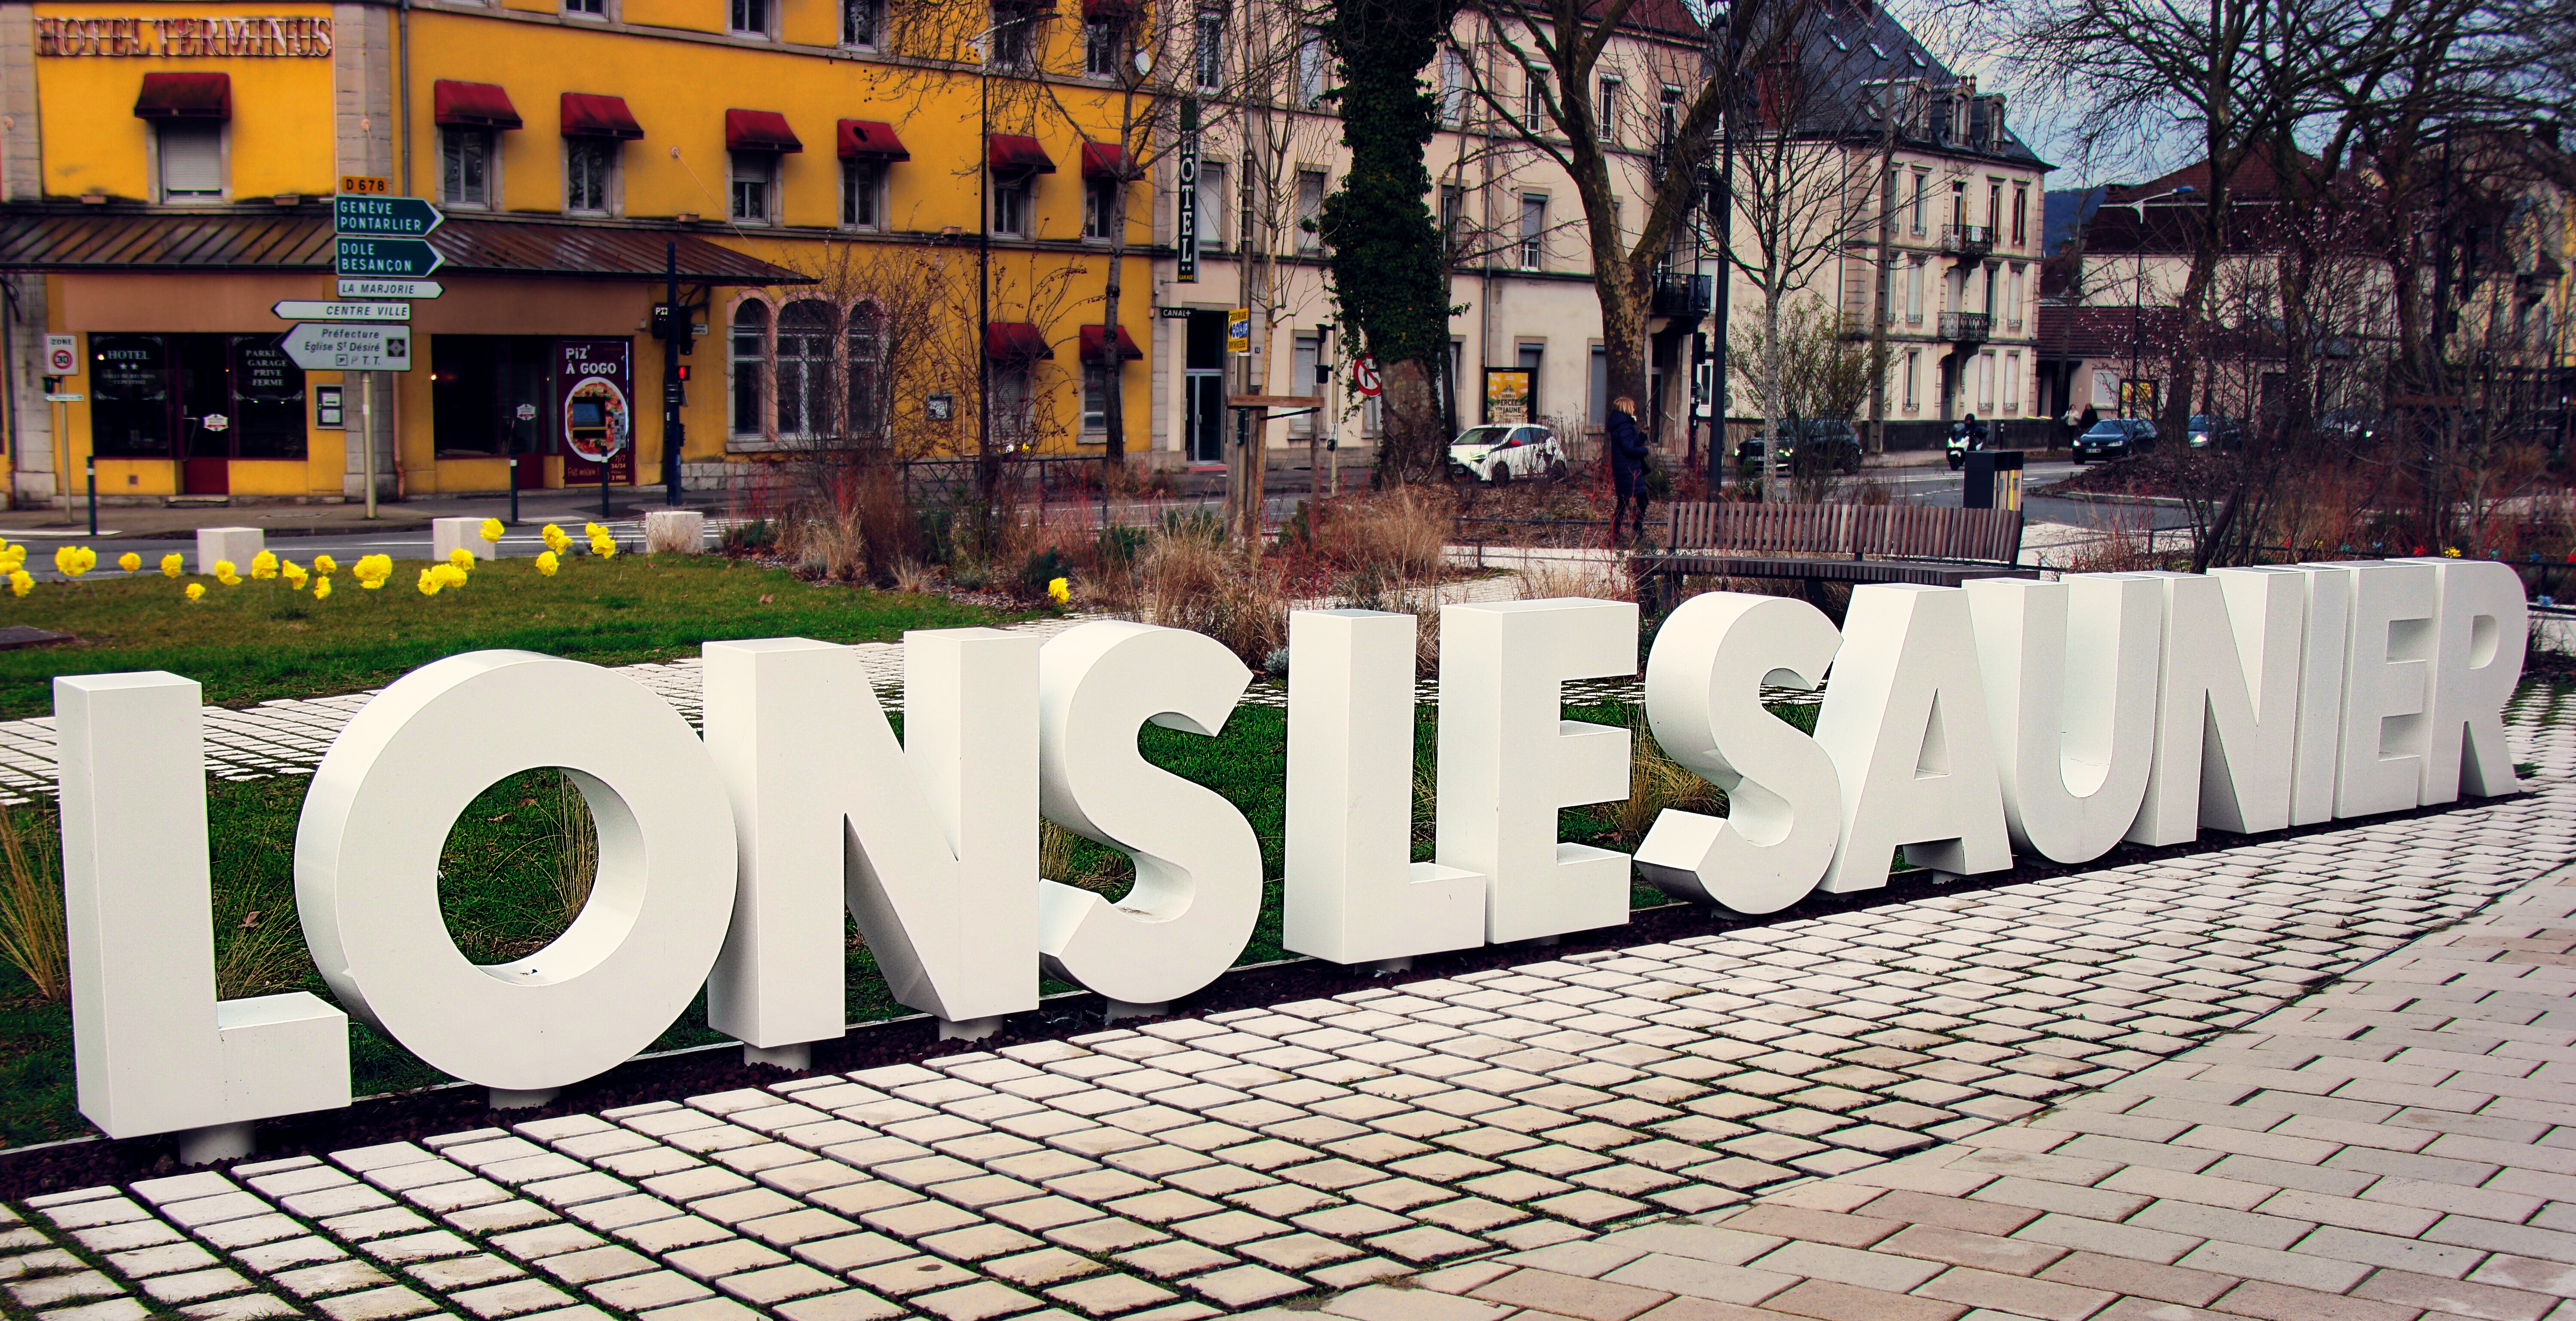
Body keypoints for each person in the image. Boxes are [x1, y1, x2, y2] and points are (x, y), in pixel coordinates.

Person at [1607, 395, 1649, 544]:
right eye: (1632, 407)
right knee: (1642, 500)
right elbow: (1629, 449)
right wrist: (1645, 451)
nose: (1634, 410)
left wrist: (1642, 436)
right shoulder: (1625, 426)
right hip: (1629, 471)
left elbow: (1631, 443)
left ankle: (1615, 536)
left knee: (1623, 503)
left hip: (1623, 471)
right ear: (1626, 408)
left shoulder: (1620, 425)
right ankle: (1637, 533)